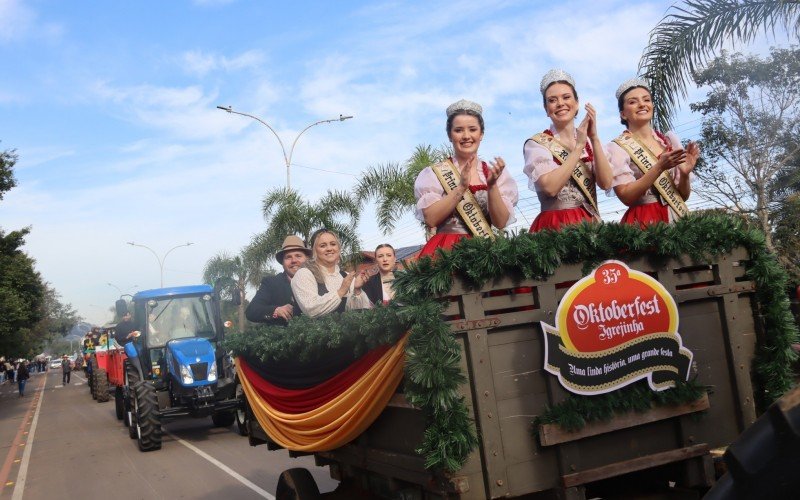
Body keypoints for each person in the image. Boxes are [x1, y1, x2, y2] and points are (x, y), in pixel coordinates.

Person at [414, 99, 519, 257]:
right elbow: (431, 219)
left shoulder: (494, 173)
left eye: (472, 129)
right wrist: (461, 187)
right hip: (447, 253)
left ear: (481, 134)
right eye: (458, 130)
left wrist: (492, 186)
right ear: (450, 135)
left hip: (484, 252)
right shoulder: (434, 173)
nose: (466, 136)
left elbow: (501, 222)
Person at [524, 69, 613, 232]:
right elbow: (550, 188)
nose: (560, 104)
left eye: (566, 97)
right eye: (552, 100)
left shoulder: (590, 143)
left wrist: (594, 138)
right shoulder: (537, 144)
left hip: (590, 225)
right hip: (554, 225)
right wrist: (578, 147)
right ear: (546, 108)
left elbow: (606, 183)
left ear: (577, 103)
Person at [607, 77, 700, 227]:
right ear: (623, 114)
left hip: (675, 216)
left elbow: (683, 196)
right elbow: (626, 197)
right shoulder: (617, 147)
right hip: (644, 221)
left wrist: (684, 175)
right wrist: (659, 167)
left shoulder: (669, 141)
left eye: (646, 100)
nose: (642, 104)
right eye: (633, 102)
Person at [291, 229, 371, 318]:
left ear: (339, 248)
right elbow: (311, 310)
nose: (329, 249)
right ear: (314, 250)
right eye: (323, 246)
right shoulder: (304, 274)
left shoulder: (346, 276)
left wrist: (357, 290)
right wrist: (341, 291)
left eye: (333, 244)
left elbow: (360, 314)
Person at [246, 235, 312, 325]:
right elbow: (251, 311)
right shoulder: (271, 283)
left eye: (298, 256)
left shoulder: (318, 280)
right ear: (282, 263)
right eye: (288, 257)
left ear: (307, 259)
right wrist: (276, 311)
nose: (294, 260)